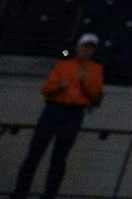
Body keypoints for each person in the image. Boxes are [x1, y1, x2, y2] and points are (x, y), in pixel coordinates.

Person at [14, 32, 105, 199]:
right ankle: (20, 193)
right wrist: (59, 87)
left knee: (59, 157)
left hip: (74, 113)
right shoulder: (63, 64)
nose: (87, 50)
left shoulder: (96, 69)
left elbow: (95, 96)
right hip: (55, 109)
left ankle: (49, 194)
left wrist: (84, 82)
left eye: (90, 48)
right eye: (85, 47)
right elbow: (46, 89)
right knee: (35, 154)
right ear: (78, 47)